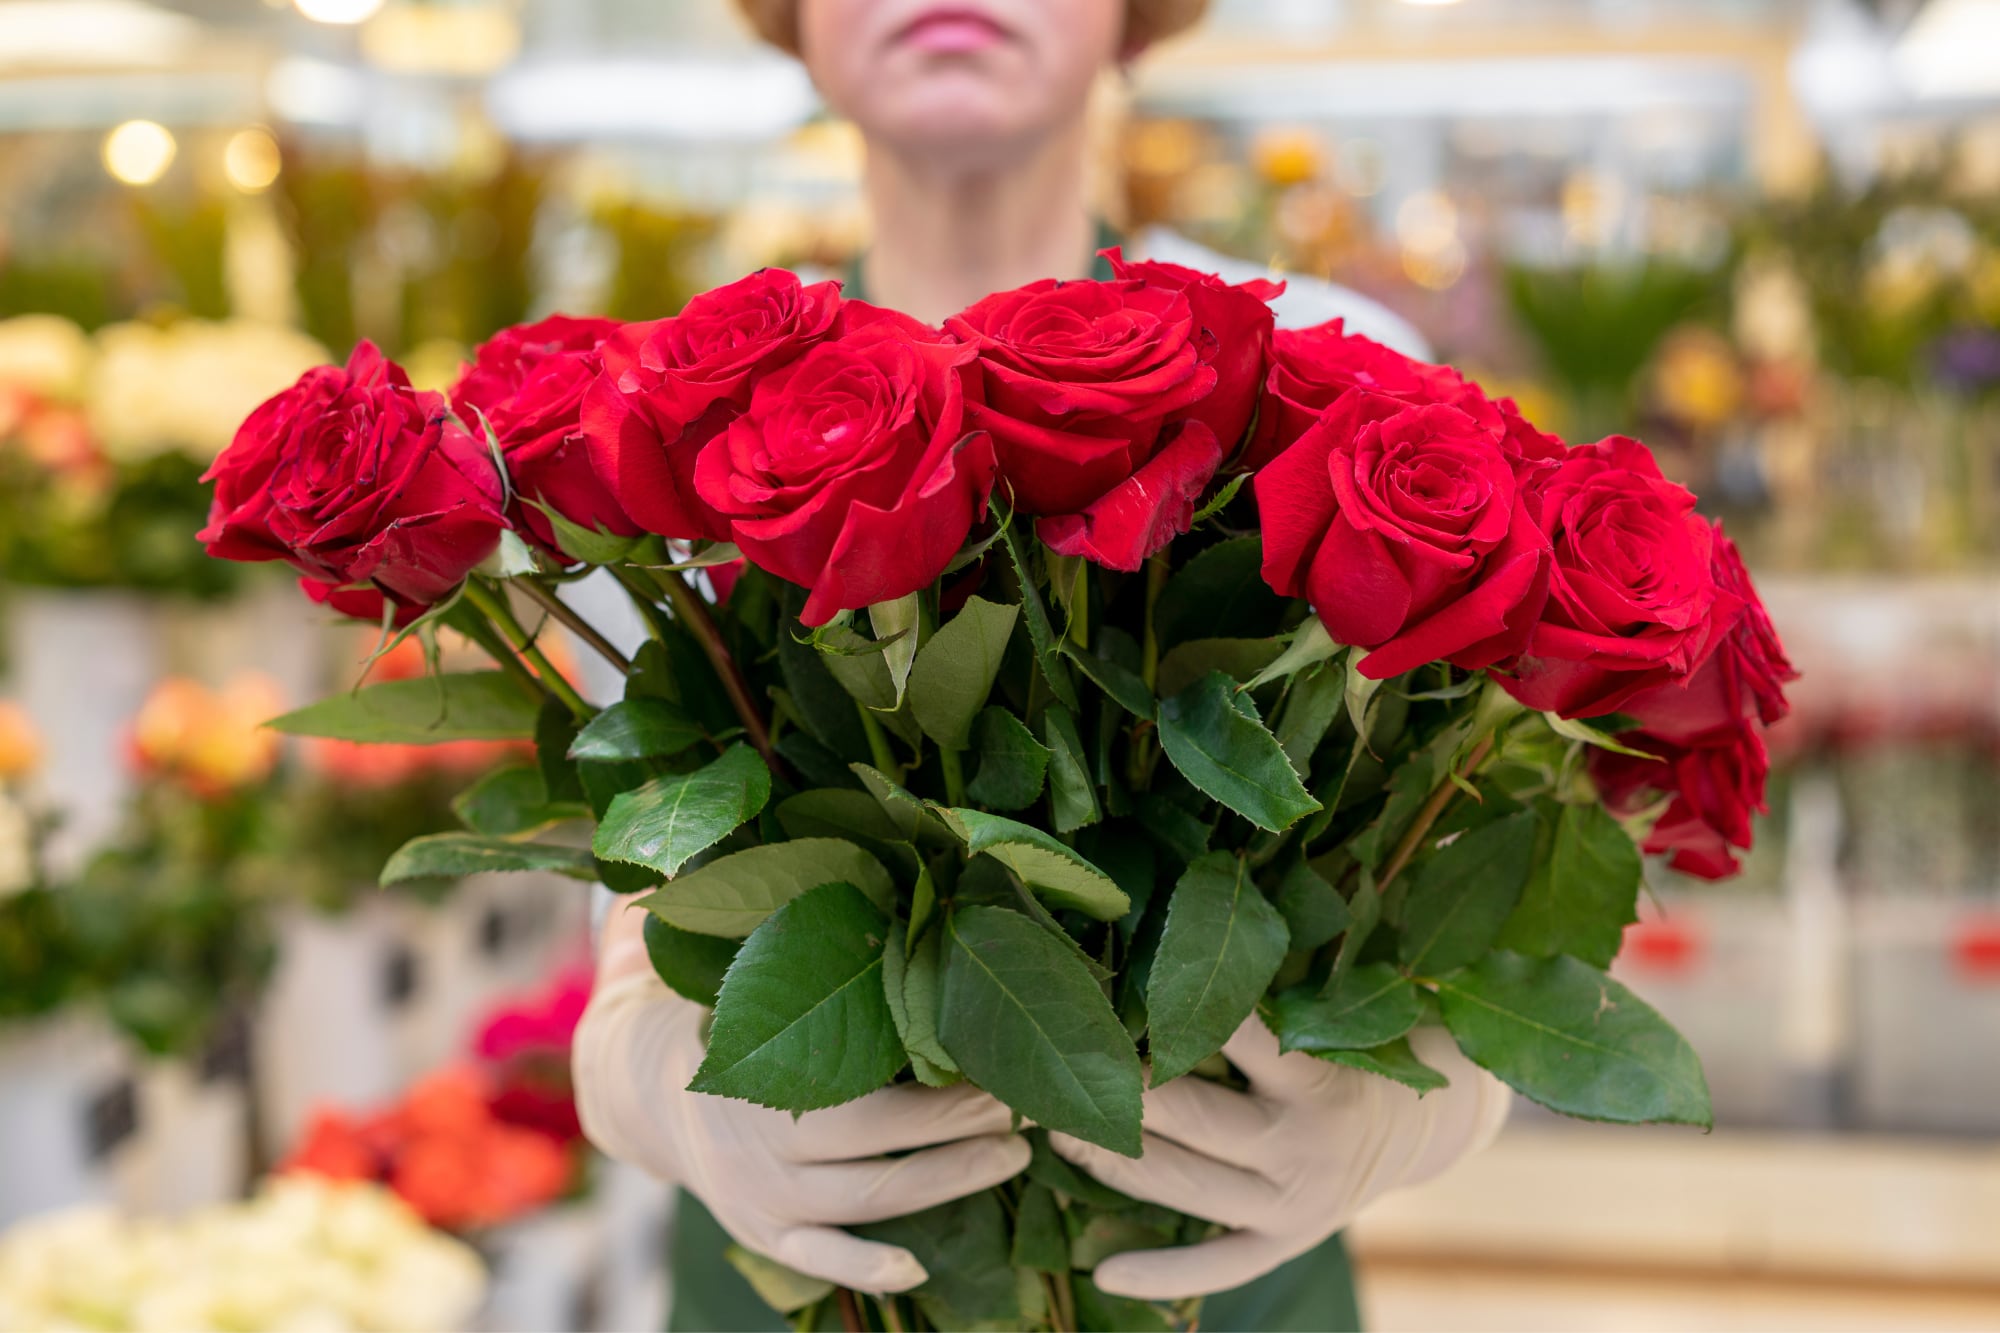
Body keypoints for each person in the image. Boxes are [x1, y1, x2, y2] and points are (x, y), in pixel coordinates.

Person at [573, 3, 1512, 1329]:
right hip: (810, 1276)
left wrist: (1434, 1099)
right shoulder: (680, 415)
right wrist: (645, 1066)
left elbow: (1448, 850)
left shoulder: (1334, 372)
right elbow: (636, 862)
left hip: (1213, 1291)